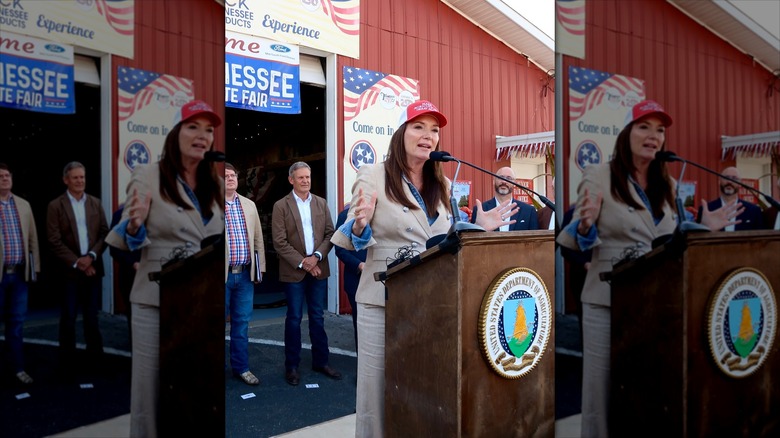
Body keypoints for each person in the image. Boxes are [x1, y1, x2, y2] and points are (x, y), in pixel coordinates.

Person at [330, 100, 516, 437]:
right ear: (402, 133)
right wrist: (359, 226)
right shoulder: (373, 174)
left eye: (434, 130)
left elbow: (445, 240)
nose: (427, 136)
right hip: (382, 300)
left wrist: (477, 226)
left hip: (431, 300)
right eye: (419, 127)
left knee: (421, 387)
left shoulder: (441, 184)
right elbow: (347, 237)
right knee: (375, 392)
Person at [556, 100, 740, 437]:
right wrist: (585, 226)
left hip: (657, 302)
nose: (653, 136)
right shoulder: (599, 175)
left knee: (646, 383)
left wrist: (702, 227)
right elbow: (573, 239)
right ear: (627, 133)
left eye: (660, 130)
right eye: (644, 126)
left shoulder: (666, 184)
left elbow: (670, 243)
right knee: (601, 388)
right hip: (606, 298)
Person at [104, 99, 224, 437]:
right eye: (193, 127)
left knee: (194, 388)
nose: (202, 136)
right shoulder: (147, 176)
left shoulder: (212, 183)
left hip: (202, 303)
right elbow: (125, 240)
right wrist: (133, 227)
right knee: (151, 389)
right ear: (175, 133)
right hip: (157, 298)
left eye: (209, 130)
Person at [272, 161, 340, 386]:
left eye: (308, 177)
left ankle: (321, 361)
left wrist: (317, 257)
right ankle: (291, 366)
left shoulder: (321, 203)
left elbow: (331, 234)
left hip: (318, 268)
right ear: (291, 180)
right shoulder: (281, 206)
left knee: (318, 318)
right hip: (295, 272)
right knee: (293, 319)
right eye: (300, 177)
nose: (305, 181)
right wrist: (304, 263)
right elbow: (279, 243)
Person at [46, 161, 109, 370]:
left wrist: (91, 256)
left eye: (82, 177)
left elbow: (104, 233)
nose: (80, 181)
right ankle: (67, 366)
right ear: (66, 180)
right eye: (75, 177)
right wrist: (78, 262)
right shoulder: (55, 206)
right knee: (69, 320)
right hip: (69, 273)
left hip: (92, 269)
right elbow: (54, 241)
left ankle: (97, 363)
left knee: (92, 319)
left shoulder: (95, 203)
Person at [224, 162, 266, 386]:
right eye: (225, 176)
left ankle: (241, 368)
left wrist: (259, 269)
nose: (230, 178)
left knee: (241, 325)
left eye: (233, 175)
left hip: (245, 276)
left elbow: (258, 239)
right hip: (222, 277)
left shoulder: (249, 205)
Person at [0, 163, 41, 385]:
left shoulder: (23, 205)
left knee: (16, 324)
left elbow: (33, 239)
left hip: (18, 276)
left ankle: (17, 368)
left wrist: (35, 269)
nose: (5, 178)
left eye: (7, 175)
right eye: (0, 176)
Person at [334, 203, 366, 349]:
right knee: (361, 327)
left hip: (382, 280)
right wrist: (359, 265)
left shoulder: (385, 215)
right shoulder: (345, 216)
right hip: (357, 280)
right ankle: (363, 368)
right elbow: (340, 249)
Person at [109, 203, 141, 344]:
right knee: (134, 320)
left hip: (158, 275)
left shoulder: (160, 214)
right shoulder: (121, 215)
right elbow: (114, 248)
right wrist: (132, 263)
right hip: (131, 275)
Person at [470, 166, 540, 231]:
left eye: (509, 178)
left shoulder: (528, 211)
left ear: (514, 183)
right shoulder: (480, 210)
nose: (504, 181)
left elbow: (535, 241)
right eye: (500, 177)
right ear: (493, 181)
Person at [698, 166, 764, 231]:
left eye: (734, 178)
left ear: (740, 184)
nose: (729, 181)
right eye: (726, 177)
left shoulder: (754, 211)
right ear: (719, 181)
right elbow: (696, 239)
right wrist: (705, 228)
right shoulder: (706, 210)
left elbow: (761, 239)